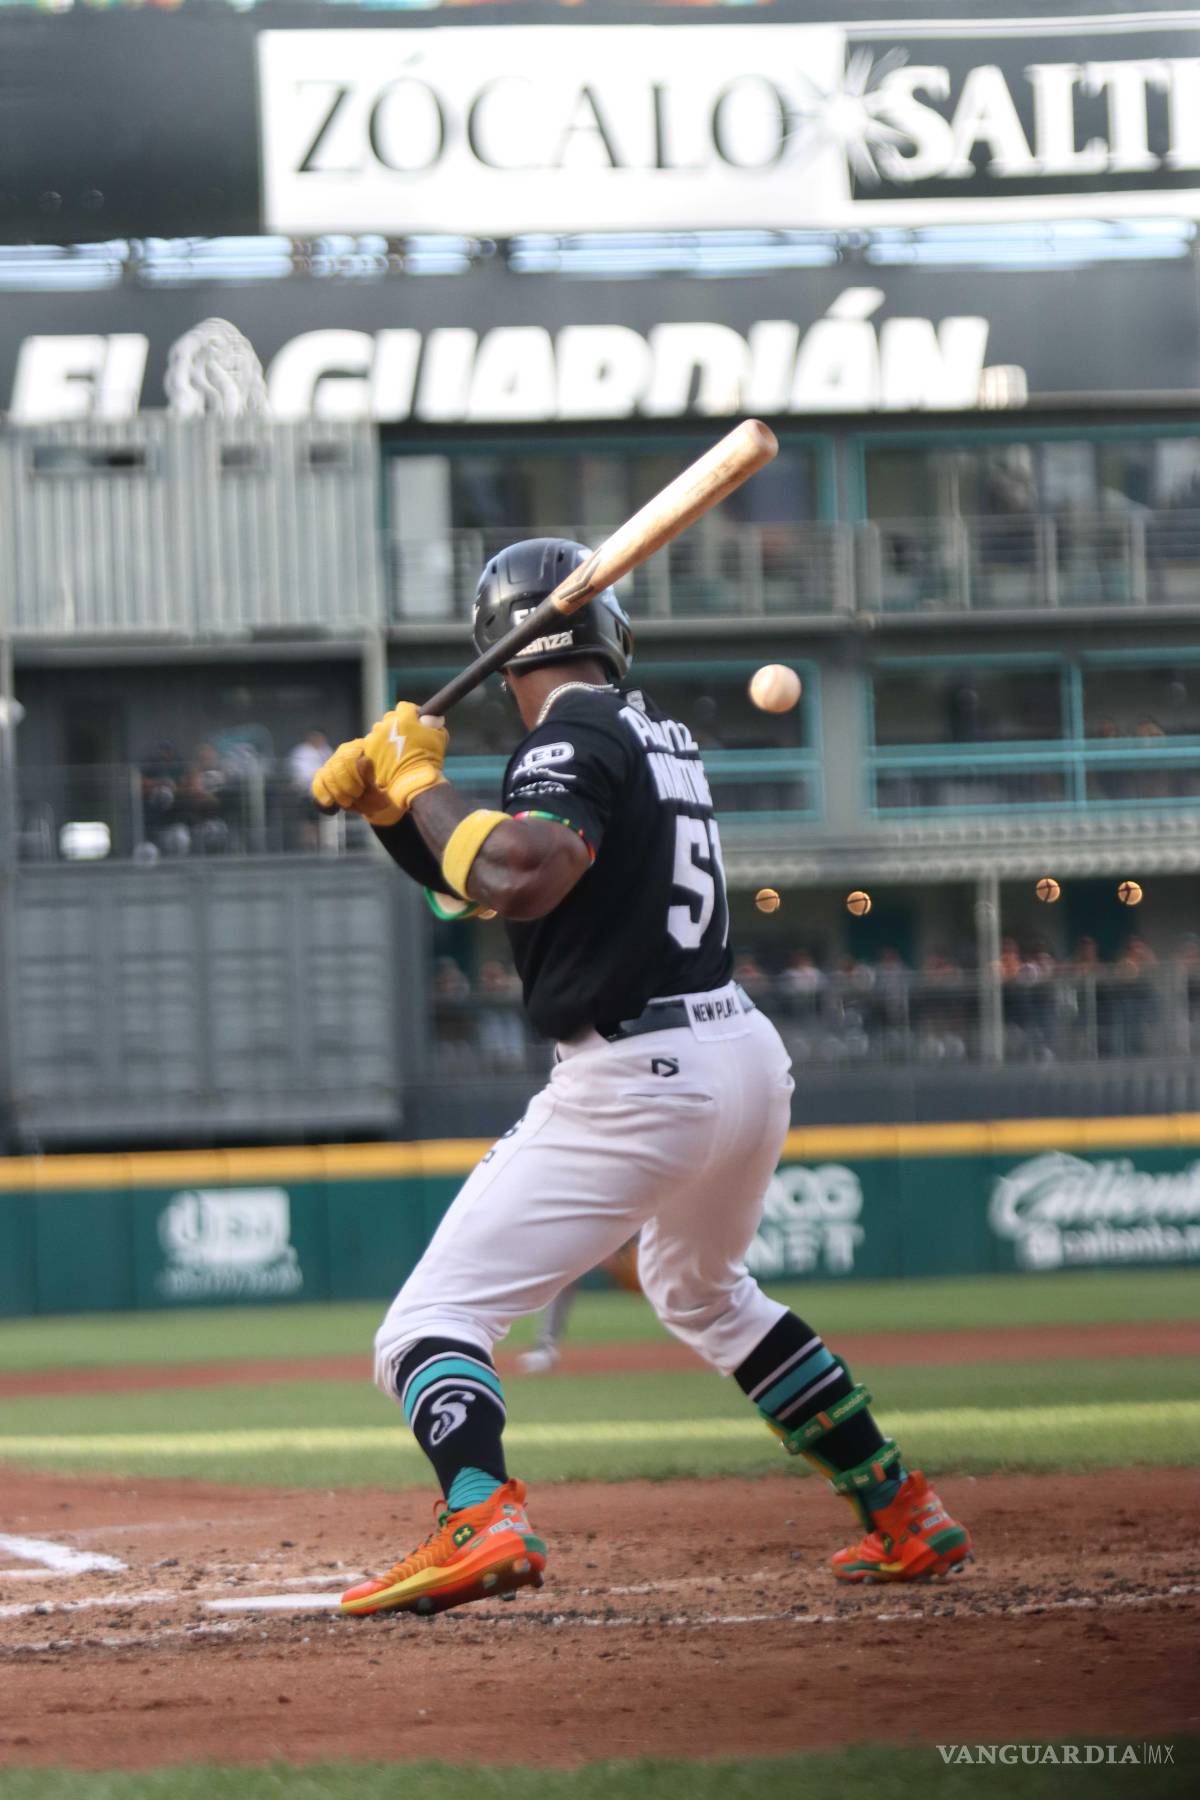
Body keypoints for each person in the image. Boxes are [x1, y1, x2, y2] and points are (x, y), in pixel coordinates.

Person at [312, 536, 971, 1620]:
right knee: (701, 1289)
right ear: (606, 632)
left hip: (637, 1072)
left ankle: (478, 1509)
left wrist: (417, 772)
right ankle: (900, 1505)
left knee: (427, 1323)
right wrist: (394, 809)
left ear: (502, 644)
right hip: (738, 1055)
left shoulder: (570, 732)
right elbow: (469, 880)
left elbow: (515, 873)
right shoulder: (646, 729)